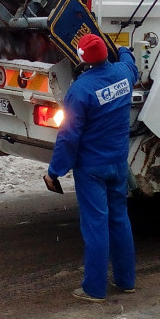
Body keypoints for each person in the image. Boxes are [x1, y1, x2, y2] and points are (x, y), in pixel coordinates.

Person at [45, 32, 139, 303]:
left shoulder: (81, 91)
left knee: (96, 226)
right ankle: (126, 281)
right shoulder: (123, 74)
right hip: (118, 163)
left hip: (92, 169)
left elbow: (68, 137)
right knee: (119, 219)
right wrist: (122, 49)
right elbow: (129, 62)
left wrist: (54, 172)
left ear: (81, 60)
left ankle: (94, 289)